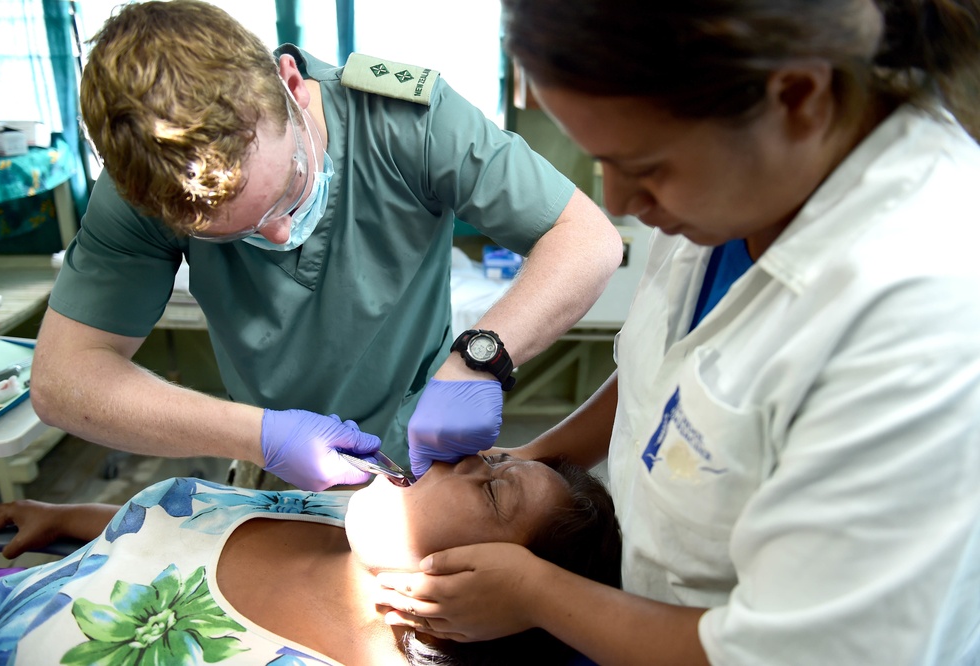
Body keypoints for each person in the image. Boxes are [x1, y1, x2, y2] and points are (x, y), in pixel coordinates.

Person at [373, 1, 980, 664]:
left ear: (799, 97)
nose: (617, 201)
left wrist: (538, 595)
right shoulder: (731, 192)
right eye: (600, 159)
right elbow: (673, 373)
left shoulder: (923, 311)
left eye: (644, 164)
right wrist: (534, 459)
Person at [30, 0, 623, 492]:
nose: (280, 234)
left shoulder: (407, 121)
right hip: (274, 468)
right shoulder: (143, 186)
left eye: (289, 188)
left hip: (427, 448)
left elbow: (587, 238)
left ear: (291, 85)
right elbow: (64, 380)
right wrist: (256, 435)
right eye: (234, 232)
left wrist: (479, 360)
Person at [0, 454, 621, 665]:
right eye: (495, 453)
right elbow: (177, 532)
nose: (460, 455)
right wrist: (73, 519)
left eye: (491, 488)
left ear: (489, 587)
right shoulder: (327, 516)